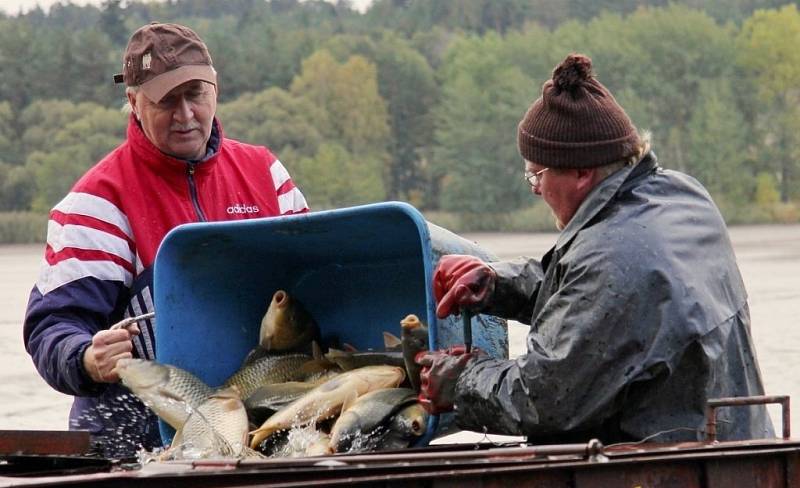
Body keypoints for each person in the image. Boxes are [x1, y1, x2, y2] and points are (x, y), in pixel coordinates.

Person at [416, 53, 774, 444]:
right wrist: (497, 283)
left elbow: (544, 399)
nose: (534, 187)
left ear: (582, 172)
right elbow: (590, 294)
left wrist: (462, 381)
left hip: (666, 465)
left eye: (536, 173)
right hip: (742, 443)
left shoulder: (612, 258)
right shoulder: (682, 197)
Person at [23, 22, 309, 457]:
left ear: (215, 88)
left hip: (261, 436)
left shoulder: (267, 175)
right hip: (135, 448)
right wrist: (85, 357)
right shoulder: (97, 202)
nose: (186, 114)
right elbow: (52, 326)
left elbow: (318, 289)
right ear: (133, 102)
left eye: (195, 95)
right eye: (166, 101)